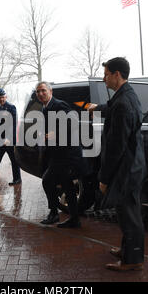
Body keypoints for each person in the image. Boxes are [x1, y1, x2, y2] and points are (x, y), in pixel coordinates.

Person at [88, 57, 147, 271]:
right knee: (127, 213)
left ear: (117, 75)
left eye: (106, 74)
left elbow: (115, 148)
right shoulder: (127, 95)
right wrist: (97, 108)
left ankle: (132, 260)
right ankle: (128, 250)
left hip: (126, 169)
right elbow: (112, 107)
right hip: (134, 165)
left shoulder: (123, 103)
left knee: (130, 216)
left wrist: (104, 178)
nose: (104, 79)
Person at [37, 81, 83, 228]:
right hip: (56, 154)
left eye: (43, 90)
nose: (40, 94)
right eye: (38, 92)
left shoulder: (59, 105)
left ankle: (54, 213)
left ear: (50, 92)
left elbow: (74, 122)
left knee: (47, 181)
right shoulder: (45, 108)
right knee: (67, 186)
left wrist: (55, 134)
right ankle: (74, 219)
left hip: (66, 154)